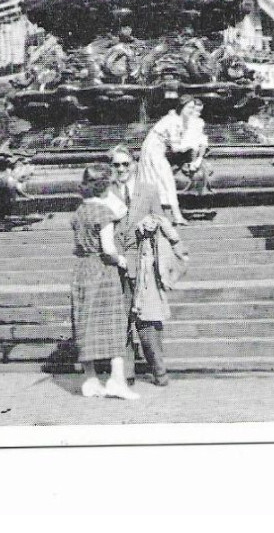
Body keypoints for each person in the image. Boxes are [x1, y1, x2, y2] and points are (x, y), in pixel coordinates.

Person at [106, 144, 184, 387]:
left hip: (143, 262)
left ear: (134, 165)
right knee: (119, 319)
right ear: (111, 168)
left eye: (125, 164)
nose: (121, 169)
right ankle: (125, 375)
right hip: (114, 263)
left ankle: (159, 371)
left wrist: (151, 222)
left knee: (148, 319)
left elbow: (161, 219)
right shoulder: (104, 192)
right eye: (116, 165)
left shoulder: (148, 190)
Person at [70, 163, 140, 400]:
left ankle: (90, 380)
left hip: (82, 269)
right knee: (113, 324)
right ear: (104, 187)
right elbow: (108, 249)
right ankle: (116, 381)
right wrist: (121, 260)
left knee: (85, 322)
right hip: (102, 269)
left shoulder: (79, 212)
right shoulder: (103, 213)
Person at [133, 98, 206, 225]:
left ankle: (169, 216)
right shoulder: (173, 121)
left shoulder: (176, 119)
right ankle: (171, 216)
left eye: (192, 108)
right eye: (189, 108)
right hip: (153, 151)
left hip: (155, 150)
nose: (191, 111)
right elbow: (176, 147)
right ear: (181, 107)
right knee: (164, 180)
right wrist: (192, 146)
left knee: (160, 181)